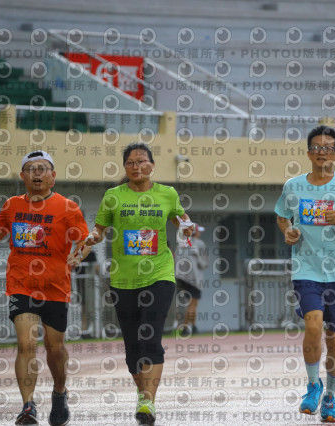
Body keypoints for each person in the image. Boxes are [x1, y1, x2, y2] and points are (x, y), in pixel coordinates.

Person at [0, 150, 90, 425]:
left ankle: (60, 392)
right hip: (21, 284)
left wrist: (78, 255)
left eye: (42, 169)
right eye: (31, 169)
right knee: (26, 344)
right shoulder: (12, 205)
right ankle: (28, 406)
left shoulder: (68, 207)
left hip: (55, 287)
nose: (37, 173)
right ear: (23, 176)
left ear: (53, 177)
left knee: (55, 348)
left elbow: (83, 240)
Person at [83, 142, 193, 426]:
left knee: (150, 337)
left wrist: (187, 226)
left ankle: (147, 401)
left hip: (160, 273)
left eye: (142, 161)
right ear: (125, 167)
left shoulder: (167, 193)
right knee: (133, 344)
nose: (136, 166)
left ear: (152, 165)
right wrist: (91, 238)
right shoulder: (113, 196)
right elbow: (99, 230)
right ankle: (143, 394)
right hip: (123, 278)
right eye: (130, 162)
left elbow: (181, 217)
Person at [275, 125, 335, 423]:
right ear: (308, 153)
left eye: (328, 148)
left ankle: (330, 396)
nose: (322, 152)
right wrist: (288, 231)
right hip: (306, 270)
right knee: (313, 325)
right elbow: (282, 217)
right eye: (316, 148)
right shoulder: (293, 186)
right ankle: (312, 385)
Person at [174, 224, 208, 337]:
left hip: (180, 278)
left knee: (186, 304)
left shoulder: (180, 244)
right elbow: (203, 264)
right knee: (193, 304)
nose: (199, 233)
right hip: (194, 278)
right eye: (198, 231)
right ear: (196, 232)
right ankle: (186, 328)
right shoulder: (199, 244)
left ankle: (193, 326)